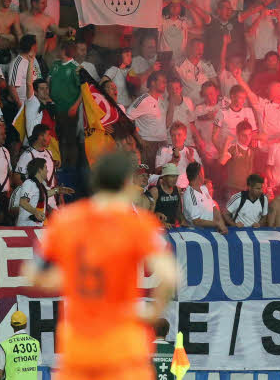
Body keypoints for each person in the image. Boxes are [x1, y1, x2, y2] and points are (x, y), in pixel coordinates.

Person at [24, 150, 178, 380]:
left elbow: (32, 274)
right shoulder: (136, 224)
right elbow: (168, 273)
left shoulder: (68, 220)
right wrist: (152, 311)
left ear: (95, 182)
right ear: (126, 184)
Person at [0, 310, 40, 380]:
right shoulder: (36, 343)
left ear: (11, 325)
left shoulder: (5, 345)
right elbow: (37, 364)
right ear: (26, 324)